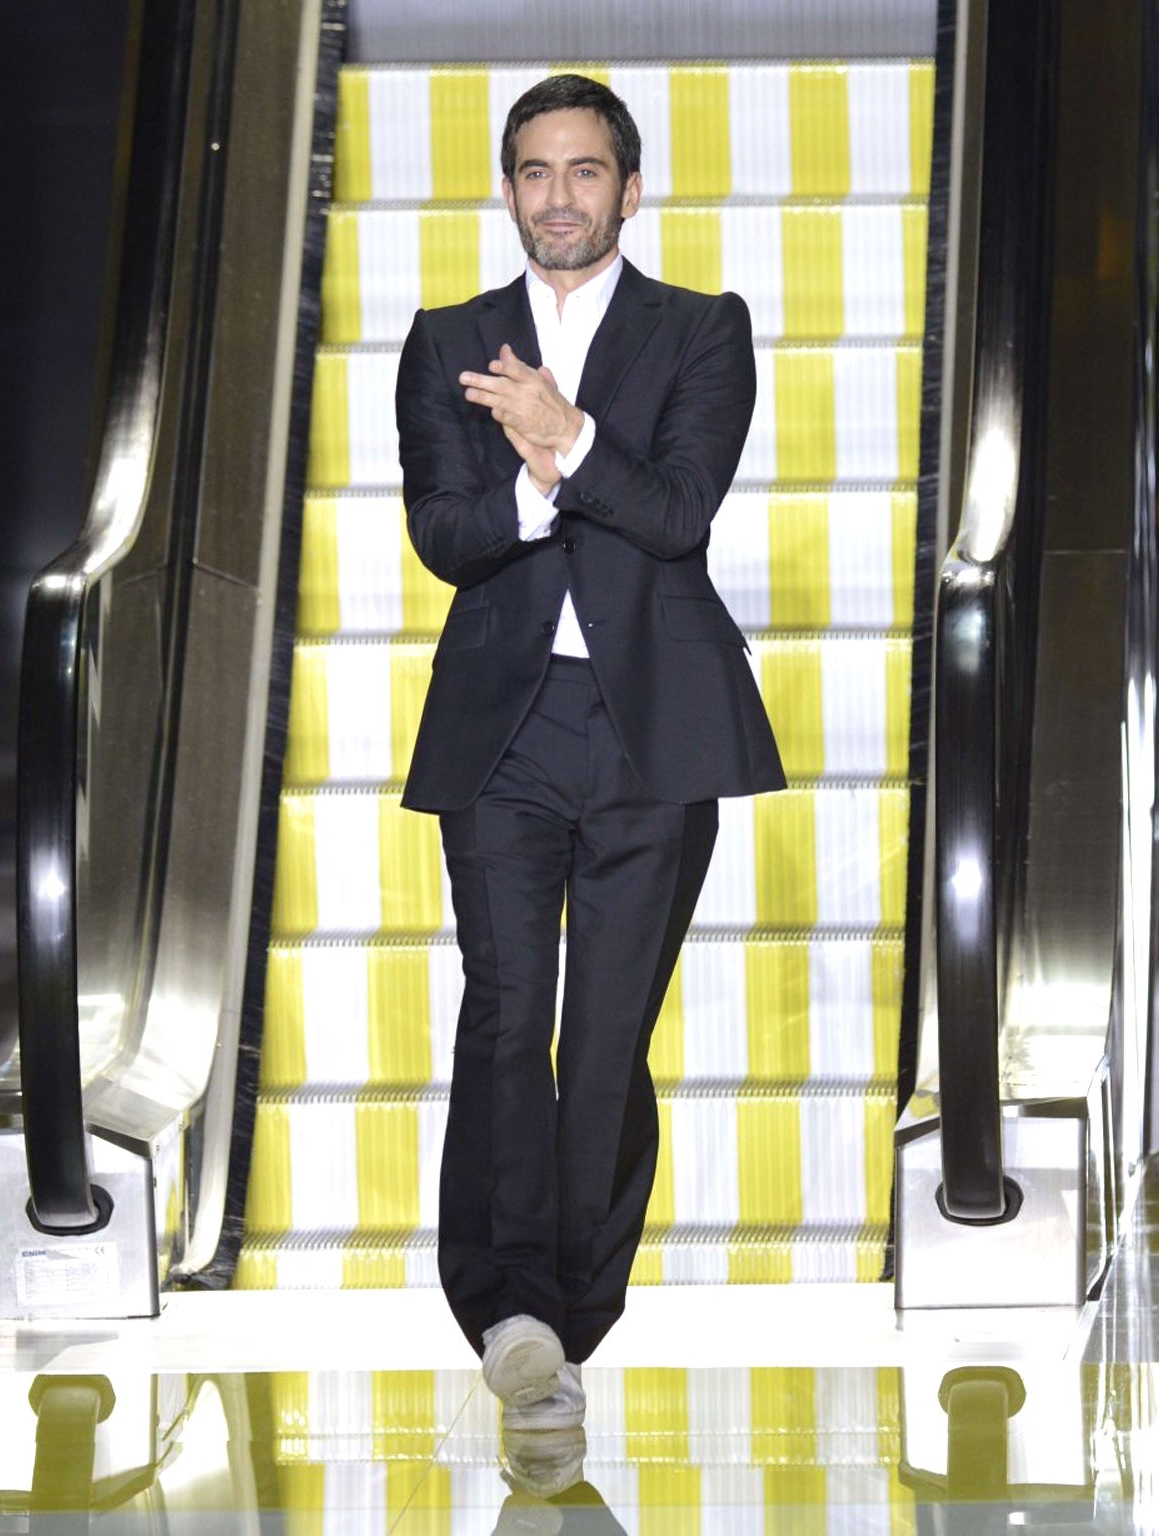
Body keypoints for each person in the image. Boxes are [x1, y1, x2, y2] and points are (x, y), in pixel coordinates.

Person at [395, 73, 784, 1426]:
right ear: (507, 190)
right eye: (535, 172)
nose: (560, 195)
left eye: (586, 170)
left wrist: (566, 442)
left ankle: (573, 1311)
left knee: (607, 1032)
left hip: (651, 730)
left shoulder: (701, 331)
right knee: (504, 1014)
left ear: (630, 186)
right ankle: (504, 1304)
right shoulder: (451, 336)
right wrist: (522, 474)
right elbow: (444, 537)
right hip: (505, 730)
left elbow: (679, 512)